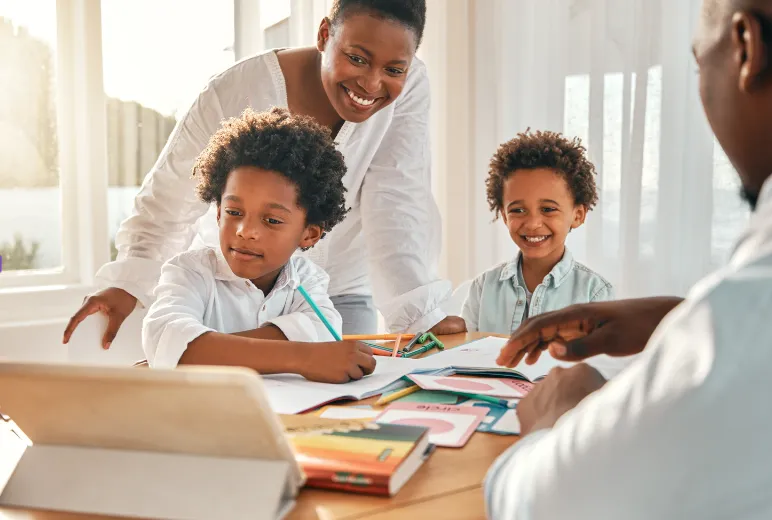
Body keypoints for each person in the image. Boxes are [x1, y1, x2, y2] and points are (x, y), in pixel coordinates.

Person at [484, 0, 772, 518]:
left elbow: (550, 501)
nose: (532, 223)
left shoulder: (749, 312)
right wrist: (680, 315)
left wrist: (562, 411)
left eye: (698, 61)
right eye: (517, 210)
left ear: (745, 48)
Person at [62, 0, 465, 349]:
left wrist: (417, 312)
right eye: (357, 57)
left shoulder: (409, 87)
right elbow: (170, 196)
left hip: (338, 290)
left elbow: (397, 197)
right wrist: (131, 277)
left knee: (336, 416)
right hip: (235, 283)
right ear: (325, 34)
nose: (372, 82)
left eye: (394, 69)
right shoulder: (237, 90)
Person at [141, 107, 375, 383]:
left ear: (309, 234)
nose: (246, 231)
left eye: (272, 220)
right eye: (234, 213)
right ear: (218, 213)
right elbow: (168, 339)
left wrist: (200, 351)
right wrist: (303, 357)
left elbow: (322, 332)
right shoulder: (189, 273)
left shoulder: (307, 281)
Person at [461, 130, 613, 334]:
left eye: (548, 209)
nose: (532, 224)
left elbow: (598, 362)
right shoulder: (483, 288)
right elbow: (465, 355)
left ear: (577, 215)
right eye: (518, 210)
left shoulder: (595, 293)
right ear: (505, 217)